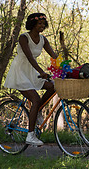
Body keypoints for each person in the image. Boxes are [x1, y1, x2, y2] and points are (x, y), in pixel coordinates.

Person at [4, 13, 58, 146]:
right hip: (20, 71)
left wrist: (67, 69)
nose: (42, 26)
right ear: (32, 24)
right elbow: (29, 57)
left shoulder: (43, 39)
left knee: (54, 87)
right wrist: (42, 72)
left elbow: (54, 56)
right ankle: (30, 135)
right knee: (35, 99)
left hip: (32, 71)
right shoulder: (24, 37)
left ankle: (38, 109)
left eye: (43, 24)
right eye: (39, 23)